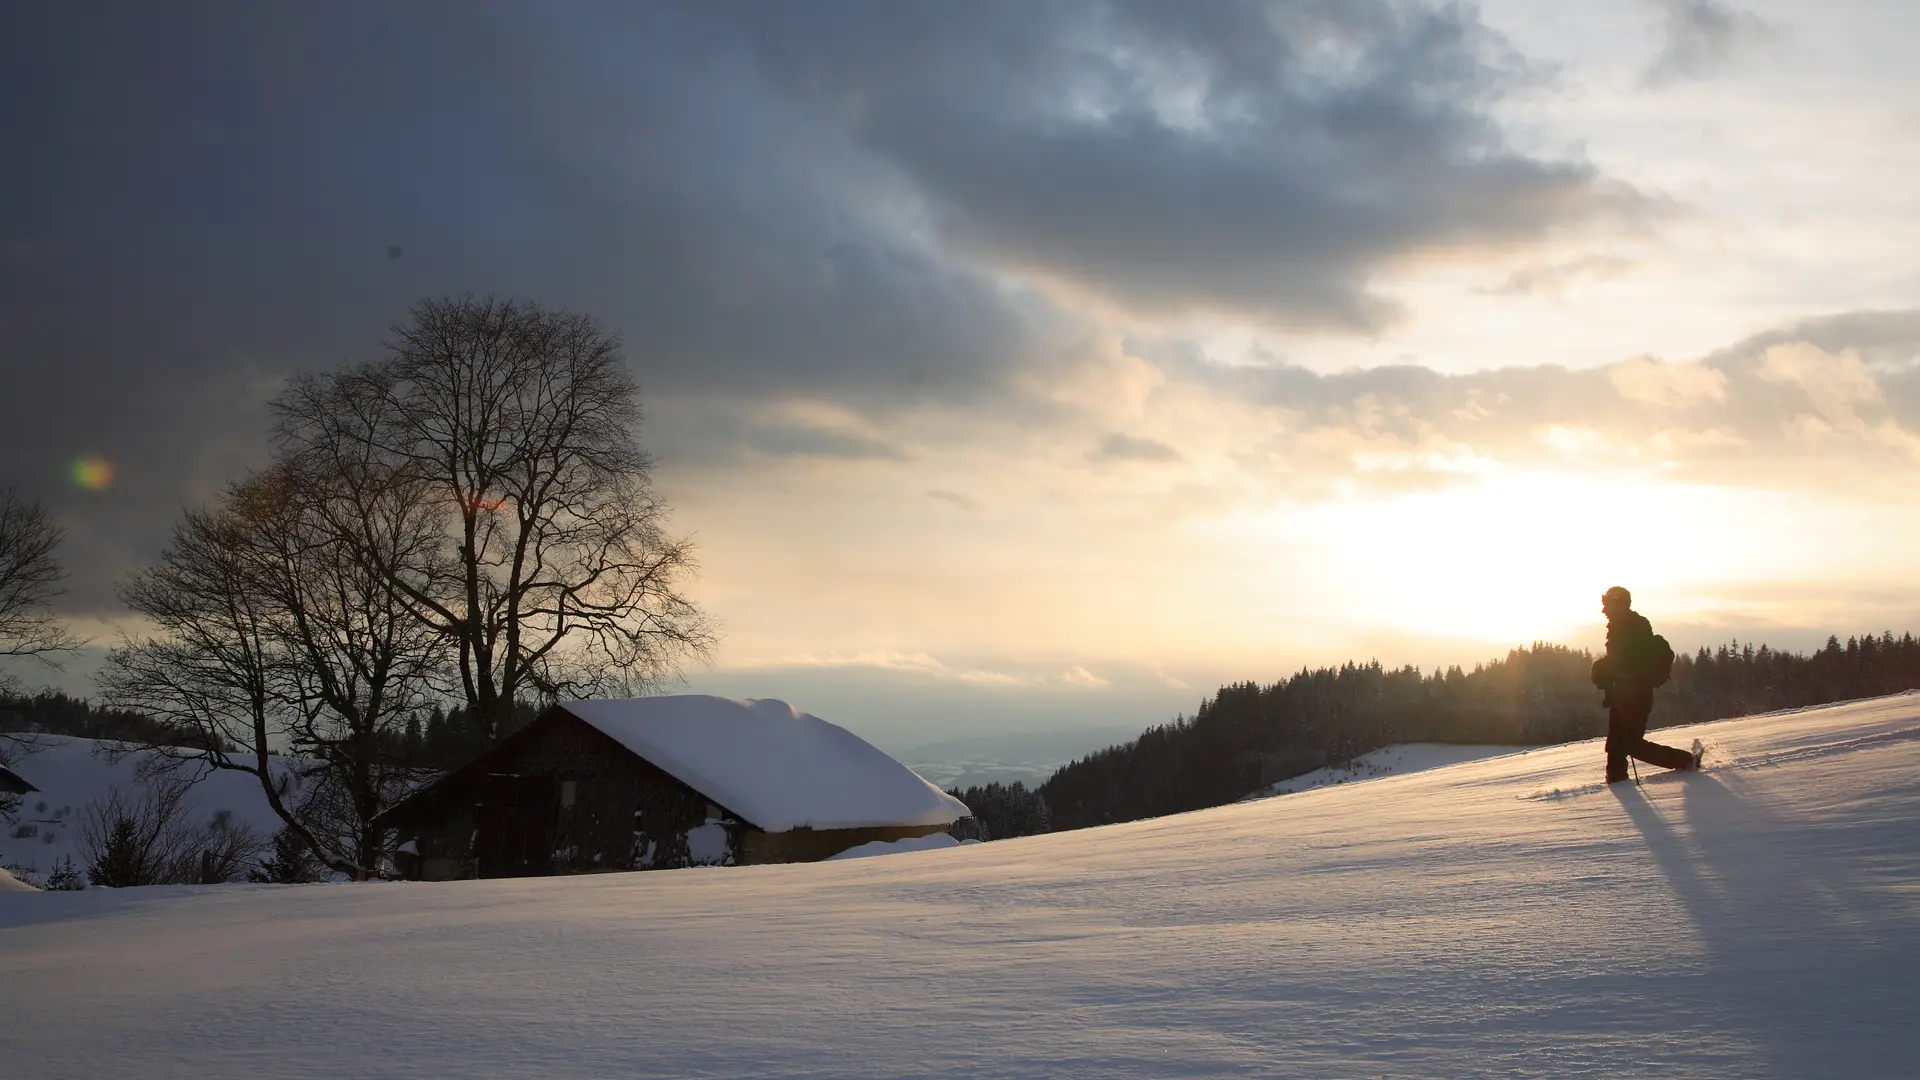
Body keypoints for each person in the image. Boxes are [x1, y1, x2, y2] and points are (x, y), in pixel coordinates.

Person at [1592, 586, 1700, 783]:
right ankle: (1616, 781)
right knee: (1619, 743)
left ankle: (1685, 761)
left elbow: (1635, 662)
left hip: (1635, 695)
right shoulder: (1621, 625)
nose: (1604, 610)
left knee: (1629, 743)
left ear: (1618, 604)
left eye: (1607, 604)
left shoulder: (1633, 626)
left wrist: (1607, 669)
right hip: (1624, 694)